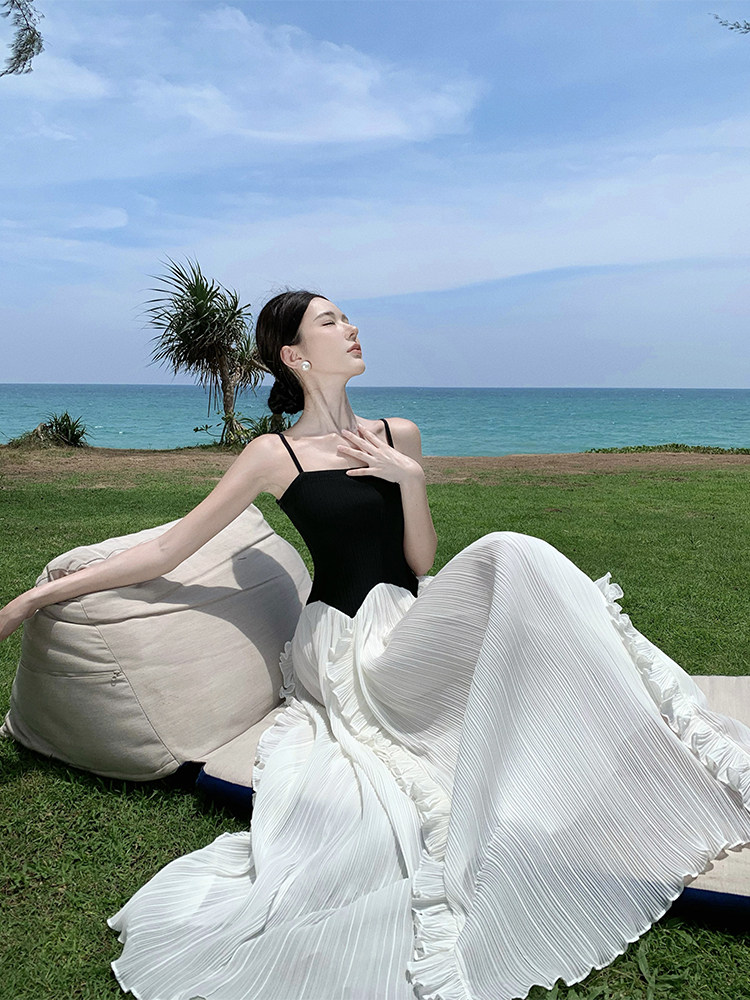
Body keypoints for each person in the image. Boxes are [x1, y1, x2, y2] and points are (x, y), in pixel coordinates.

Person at [1, 290, 749, 1000]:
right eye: (331, 321)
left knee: (520, 577)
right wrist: (34, 598)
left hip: (411, 615)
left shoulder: (399, 434)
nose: (352, 328)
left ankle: (667, 734)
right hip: (346, 645)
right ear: (294, 355)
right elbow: (169, 549)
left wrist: (409, 478)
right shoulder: (273, 455)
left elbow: (420, 562)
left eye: (347, 316)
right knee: (509, 551)